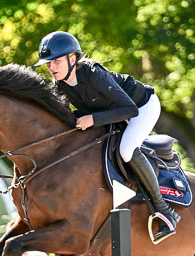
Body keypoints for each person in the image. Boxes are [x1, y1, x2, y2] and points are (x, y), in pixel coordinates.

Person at [33, 31, 180, 243]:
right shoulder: (61, 85)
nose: (51, 67)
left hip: (142, 106)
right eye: (48, 63)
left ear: (72, 58)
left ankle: (164, 210)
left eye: (56, 61)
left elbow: (130, 109)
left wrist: (93, 119)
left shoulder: (93, 74)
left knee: (126, 150)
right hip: (113, 112)